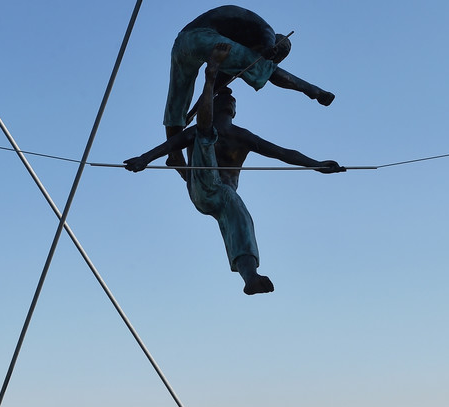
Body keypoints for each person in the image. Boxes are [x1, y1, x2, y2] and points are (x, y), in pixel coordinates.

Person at [127, 43, 344, 296]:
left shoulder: (242, 136)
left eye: (232, 100)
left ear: (234, 110)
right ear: (218, 106)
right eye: (225, 98)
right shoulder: (197, 130)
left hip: (220, 196)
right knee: (205, 133)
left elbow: (283, 153)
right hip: (203, 187)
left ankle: (249, 276)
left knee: (241, 218)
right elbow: (171, 143)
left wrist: (316, 165)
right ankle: (210, 76)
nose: (230, 99)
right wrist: (144, 158)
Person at [163, 5, 335, 168]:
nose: (263, 60)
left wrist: (191, 114)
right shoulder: (262, 31)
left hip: (181, 44)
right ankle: (315, 91)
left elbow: (211, 90)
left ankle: (174, 155)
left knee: (177, 100)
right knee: (260, 66)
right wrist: (269, 47)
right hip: (200, 36)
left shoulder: (232, 59)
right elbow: (267, 34)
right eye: (270, 59)